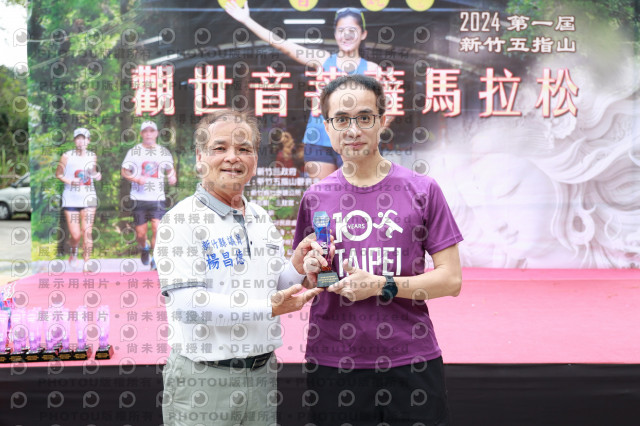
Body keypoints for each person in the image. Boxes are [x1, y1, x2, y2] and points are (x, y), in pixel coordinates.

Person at [293, 75, 463, 425]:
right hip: (333, 360)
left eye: (364, 117)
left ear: (382, 121)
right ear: (327, 127)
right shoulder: (315, 197)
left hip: (410, 358)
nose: (353, 130)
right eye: (342, 119)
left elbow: (451, 280)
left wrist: (382, 284)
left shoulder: (422, 189)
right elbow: (313, 280)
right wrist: (309, 271)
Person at [154, 109, 324, 426]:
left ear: (255, 159)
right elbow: (189, 305)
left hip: (261, 375)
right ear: (200, 156)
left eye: (244, 149)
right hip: (203, 379)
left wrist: (297, 267)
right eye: (220, 148)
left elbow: (275, 284)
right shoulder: (180, 220)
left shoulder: (260, 217)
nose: (233, 157)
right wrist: (269, 306)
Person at [224, 2, 380, 180]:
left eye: (352, 30)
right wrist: (247, 20)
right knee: (323, 194)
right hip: (318, 141)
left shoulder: (372, 70)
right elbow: (282, 44)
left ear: (363, 34)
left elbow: (384, 112)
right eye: (341, 30)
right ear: (335, 34)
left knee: (356, 192)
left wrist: (371, 136)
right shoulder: (323, 60)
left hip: (356, 142)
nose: (346, 35)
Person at [121, 121, 176, 270]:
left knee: (158, 228)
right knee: (141, 234)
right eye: (145, 131)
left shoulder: (163, 152)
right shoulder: (134, 151)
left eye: (152, 131)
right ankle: (144, 248)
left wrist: (172, 176)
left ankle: (156, 259)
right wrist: (136, 178)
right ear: (141, 134)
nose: (149, 134)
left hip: (157, 198)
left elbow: (170, 169)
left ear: (156, 133)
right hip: (138, 198)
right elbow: (124, 171)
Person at [55, 127, 102, 271]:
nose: (81, 141)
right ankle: (74, 252)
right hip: (71, 199)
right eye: (78, 138)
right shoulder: (66, 156)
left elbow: (92, 172)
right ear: (74, 140)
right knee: (75, 235)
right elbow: (58, 174)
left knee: (87, 231)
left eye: (84, 138)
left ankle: (87, 263)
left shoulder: (92, 156)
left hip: (89, 198)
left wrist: (96, 175)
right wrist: (70, 181)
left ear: (89, 141)